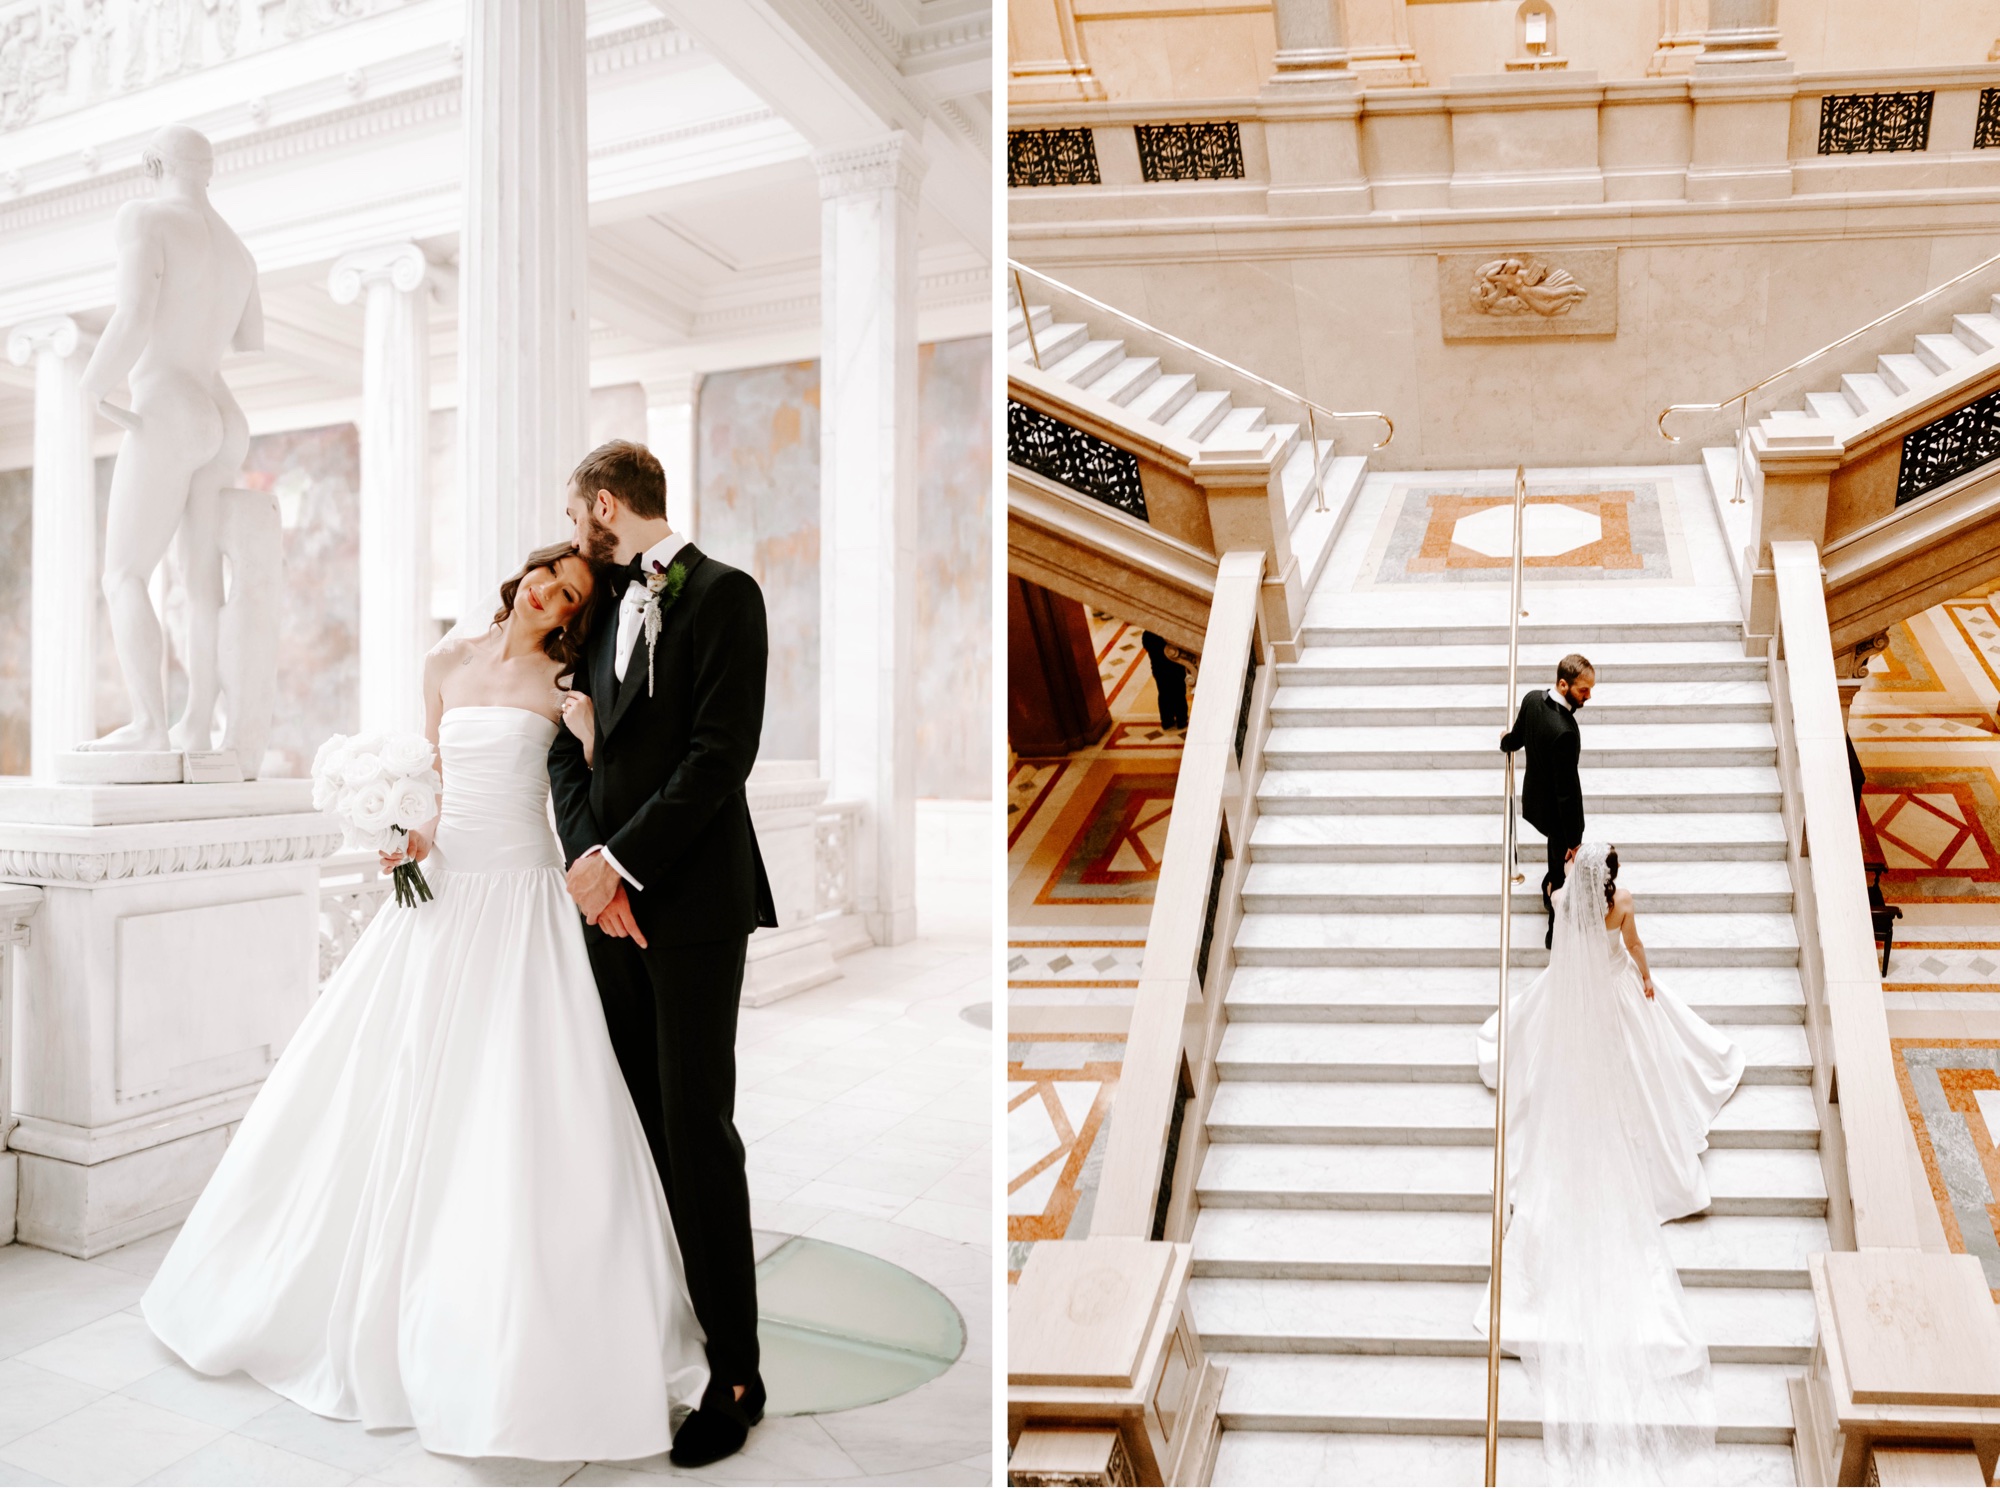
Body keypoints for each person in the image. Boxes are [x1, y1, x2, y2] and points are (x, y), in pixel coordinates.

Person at [141, 543, 711, 1461]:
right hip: (445, 892)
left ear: (574, 615)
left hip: (524, 898)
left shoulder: (568, 681)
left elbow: (584, 793)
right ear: (522, 576)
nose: (551, 596)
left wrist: (594, 735)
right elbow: (439, 786)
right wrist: (407, 834)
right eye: (546, 577)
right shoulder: (444, 663)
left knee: (521, 1102)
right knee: (388, 1089)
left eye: (569, 595)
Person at [549, 440, 779, 1469]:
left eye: (579, 515)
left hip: (689, 907)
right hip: (605, 909)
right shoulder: (597, 605)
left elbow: (719, 757)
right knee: (633, 1129)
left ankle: (736, 1374)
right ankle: (655, 1334)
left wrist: (623, 864)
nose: (578, 536)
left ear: (606, 503)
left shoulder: (727, 595)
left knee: (695, 1132)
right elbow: (565, 745)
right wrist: (586, 864)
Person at [1473, 843, 1745, 1484]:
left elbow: (1558, 952)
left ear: (1578, 873)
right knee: (1644, 1081)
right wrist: (1646, 979)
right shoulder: (1620, 903)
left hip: (1578, 1004)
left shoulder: (1563, 901)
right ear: (1613, 879)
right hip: (1615, 997)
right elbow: (1637, 950)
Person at [1501, 653, 1592, 949]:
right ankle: (1554, 928)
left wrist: (1505, 742)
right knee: (1559, 870)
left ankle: (1549, 892)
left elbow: (1517, 737)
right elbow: (1568, 792)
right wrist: (1574, 837)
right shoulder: (1564, 731)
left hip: (1535, 802)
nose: (1589, 696)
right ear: (1564, 685)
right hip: (1556, 815)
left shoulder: (1531, 700)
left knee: (1555, 862)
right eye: (1583, 690)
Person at [1140, 630, 1190, 730]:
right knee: (1179, 692)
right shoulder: (1170, 632)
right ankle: (1181, 719)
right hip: (1174, 667)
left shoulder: (1147, 634)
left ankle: (1167, 721)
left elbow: (1146, 646)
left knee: (1164, 694)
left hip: (1159, 669)